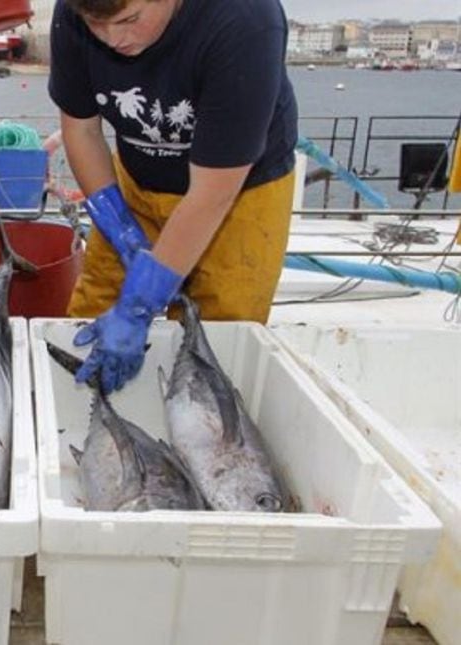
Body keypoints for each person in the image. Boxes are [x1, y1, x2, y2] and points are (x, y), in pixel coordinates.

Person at [48, 0, 298, 391]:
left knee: (220, 330)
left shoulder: (244, 20)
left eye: (130, 19)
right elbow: (81, 131)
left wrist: (141, 303)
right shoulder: (74, 11)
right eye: (96, 23)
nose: (113, 38)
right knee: (97, 300)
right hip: (136, 174)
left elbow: (210, 196)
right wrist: (119, 229)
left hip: (238, 189)